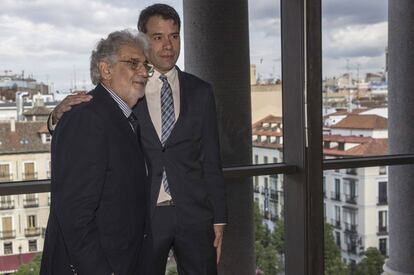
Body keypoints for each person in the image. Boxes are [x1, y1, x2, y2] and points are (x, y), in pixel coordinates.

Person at [49, 4, 227, 275]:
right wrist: (56, 117)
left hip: (193, 213)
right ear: (144, 40)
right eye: (158, 37)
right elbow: (88, 128)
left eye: (174, 36)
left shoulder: (200, 91)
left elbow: (211, 158)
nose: (168, 45)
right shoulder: (125, 93)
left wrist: (219, 218)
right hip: (146, 218)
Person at [41, 30, 153, 275]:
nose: (144, 72)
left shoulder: (120, 116)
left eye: (145, 65)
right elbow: (75, 215)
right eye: (133, 63)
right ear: (106, 70)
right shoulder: (88, 116)